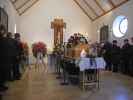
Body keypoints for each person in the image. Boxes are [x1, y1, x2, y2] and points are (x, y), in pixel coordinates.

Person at [0, 25, 9, 91]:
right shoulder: (2, 38)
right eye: (3, 30)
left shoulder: (3, 38)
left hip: (4, 58)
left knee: (3, 73)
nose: (4, 31)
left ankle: (2, 85)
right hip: (2, 58)